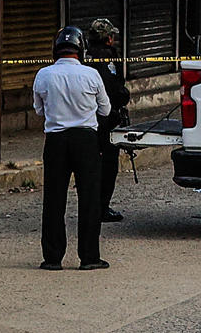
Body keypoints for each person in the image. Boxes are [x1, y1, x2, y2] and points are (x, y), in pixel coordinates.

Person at [34, 26, 111, 271]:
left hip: (55, 141)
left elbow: (38, 110)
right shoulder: (92, 75)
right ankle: (89, 257)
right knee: (89, 199)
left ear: (55, 50)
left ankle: (52, 258)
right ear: (81, 50)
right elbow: (105, 110)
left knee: (54, 199)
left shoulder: (43, 75)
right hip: (86, 141)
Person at [85, 17, 130, 223]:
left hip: (86, 119)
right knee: (108, 165)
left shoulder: (83, 55)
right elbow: (112, 88)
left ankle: (92, 206)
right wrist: (124, 96)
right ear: (107, 38)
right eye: (111, 35)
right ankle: (101, 208)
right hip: (105, 119)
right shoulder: (107, 57)